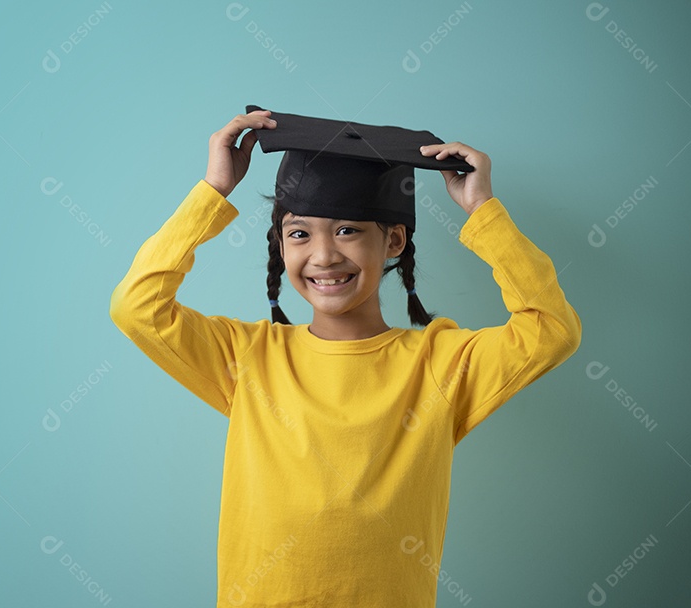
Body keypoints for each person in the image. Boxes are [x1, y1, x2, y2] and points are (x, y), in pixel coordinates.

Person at [109, 108, 582, 607]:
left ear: (393, 240)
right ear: (281, 246)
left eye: (347, 230)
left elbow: (551, 329)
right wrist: (213, 191)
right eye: (299, 233)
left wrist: (483, 211)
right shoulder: (248, 357)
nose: (323, 255)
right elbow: (137, 308)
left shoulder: (440, 364)